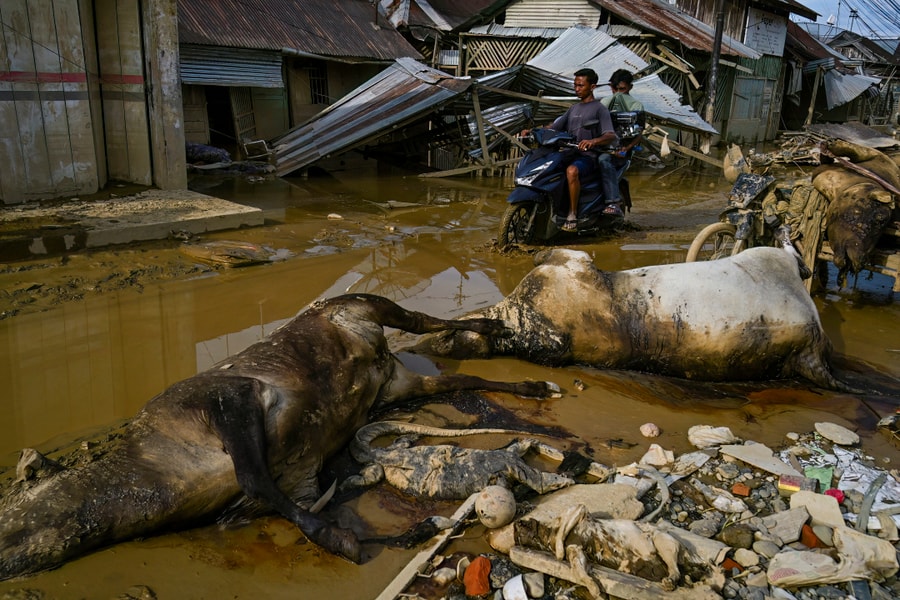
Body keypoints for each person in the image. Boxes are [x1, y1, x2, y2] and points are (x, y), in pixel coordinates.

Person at [523, 68, 616, 231]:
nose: (577, 89)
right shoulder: (574, 108)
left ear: (592, 87)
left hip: (588, 157)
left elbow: (610, 135)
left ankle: (572, 213)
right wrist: (533, 131)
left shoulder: (600, 109)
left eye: (581, 85)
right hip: (569, 153)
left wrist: (593, 141)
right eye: (575, 85)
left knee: (572, 171)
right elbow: (554, 127)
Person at [598, 69, 645, 217]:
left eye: (622, 89)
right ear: (611, 87)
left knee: (604, 160)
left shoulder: (636, 106)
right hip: (599, 147)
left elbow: (639, 133)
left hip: (619, 152)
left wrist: (626, 148)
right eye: (616, 89)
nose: (618, 94)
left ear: (630, 87)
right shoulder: (603, 104)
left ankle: (613, 202)